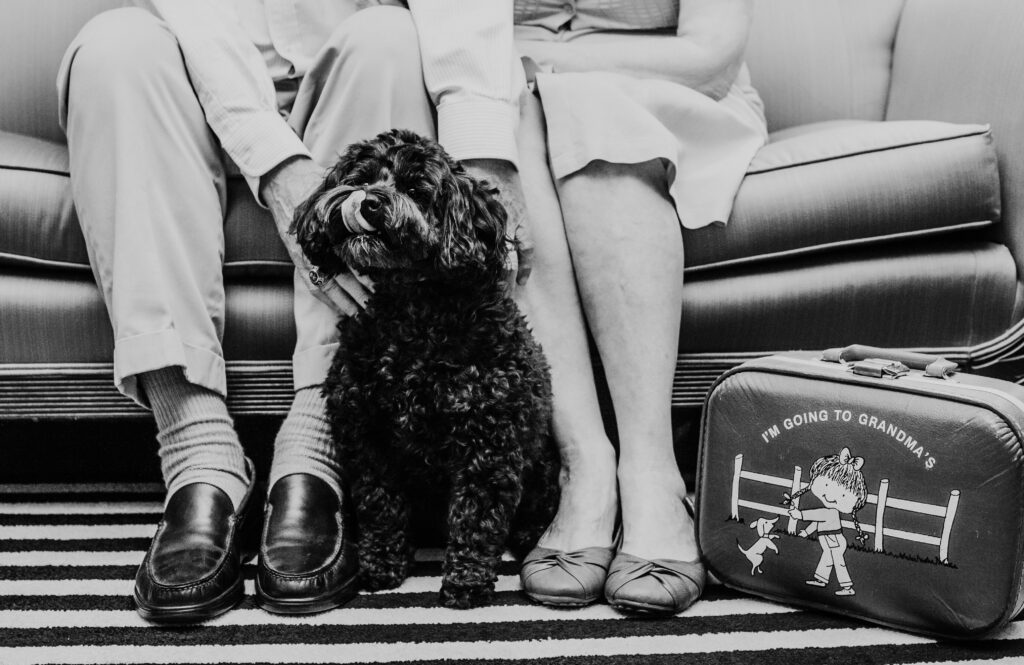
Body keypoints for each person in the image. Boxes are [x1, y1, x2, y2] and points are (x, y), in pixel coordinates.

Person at [57, 0, 534, 622]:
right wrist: (274, 156)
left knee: (387, 36)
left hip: (351, 73)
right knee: (114, 49)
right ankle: (197, 452)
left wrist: (483, 147)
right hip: (192, 73)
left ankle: (316, 447)